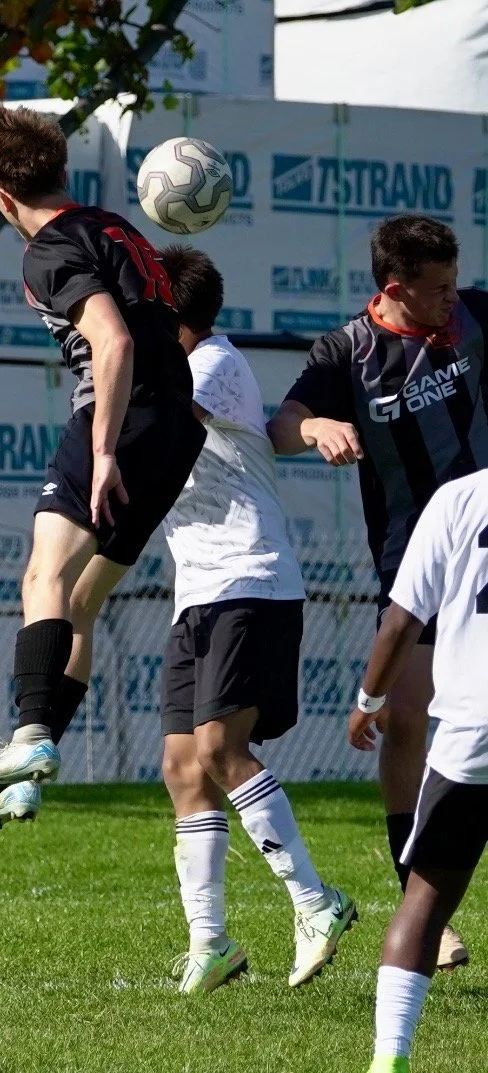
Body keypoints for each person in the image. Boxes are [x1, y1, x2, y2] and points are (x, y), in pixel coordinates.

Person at [0, 105, 206, 819]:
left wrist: (101, 452)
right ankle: (27, 778)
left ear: (3, 197)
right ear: (63, 172)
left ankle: (30, 736)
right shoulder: (114, 226)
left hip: (120, 422)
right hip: (174, 429)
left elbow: (113, 342)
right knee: (81, 601)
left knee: (44, 574)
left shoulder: (48, 249)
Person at [267, 213, 488, 971]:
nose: (451, 301)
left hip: (484, 541)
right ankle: (421, 902)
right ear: (395, 289)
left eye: (456, 284)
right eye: (437, 290)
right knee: (404, 720)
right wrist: (317, 427)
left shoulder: (474, 315)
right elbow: (282, 422)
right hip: (416, 561)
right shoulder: (346, 353)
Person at [157, 246, 356, 994]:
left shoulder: (211, 363)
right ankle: (212, 941)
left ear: (172, 317)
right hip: (198, 592)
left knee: (219, 747)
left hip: (251, 578)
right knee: (183, 765)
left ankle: (317, 901)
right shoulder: (176, 360)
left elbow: (161, 411)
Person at [348, 469, 488, 1073]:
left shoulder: (458, 499)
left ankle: (389, 1059)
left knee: (424, 904)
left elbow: (402, 621)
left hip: (471, 733)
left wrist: (368, 701)